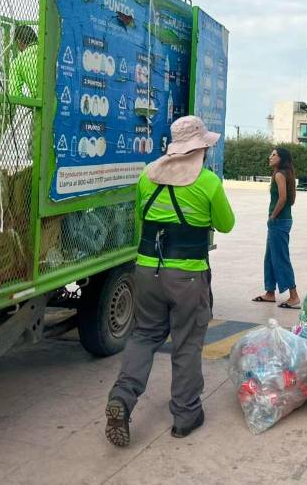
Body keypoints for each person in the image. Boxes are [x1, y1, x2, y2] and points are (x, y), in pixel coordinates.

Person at [105, 116, 235, 446]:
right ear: (200, 149)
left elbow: (140, 218)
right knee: (187, 342)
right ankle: (186, 414)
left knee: (144, 334)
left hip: (147, 270)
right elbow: (226, 224)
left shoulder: (147, 176)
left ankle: (122, 397)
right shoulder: (208, 183)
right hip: (187, 275)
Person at [252, 147, 300, 309]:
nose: (270, 157)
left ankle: (294, 296)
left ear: (281, 158)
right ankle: (270, 293)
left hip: (279, 222)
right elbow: (291, 200)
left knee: (280, 258)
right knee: (270, 257)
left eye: (274, 155)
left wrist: (273, 216)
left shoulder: (279, 175)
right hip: (282, 220)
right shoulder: (285, 174)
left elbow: (283, 198)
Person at [8, 25, 39, 97]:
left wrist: (33, 102)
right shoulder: (47, 52)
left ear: (18, 41)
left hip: (39, 101)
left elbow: (14, 95)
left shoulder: (17, 62)